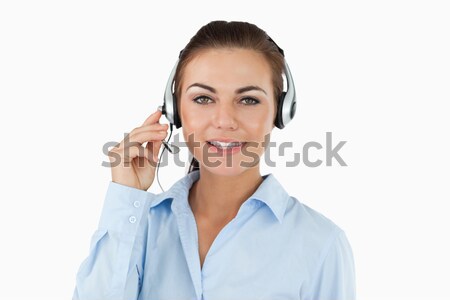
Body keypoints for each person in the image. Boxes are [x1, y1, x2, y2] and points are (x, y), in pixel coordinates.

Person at [73, 20, 356, 300]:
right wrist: (125, 195)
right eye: (204, 99)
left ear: (280, 113)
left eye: (248, 100)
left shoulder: (321, 244)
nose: (224, 121)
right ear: (175, 111)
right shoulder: (136, 226)